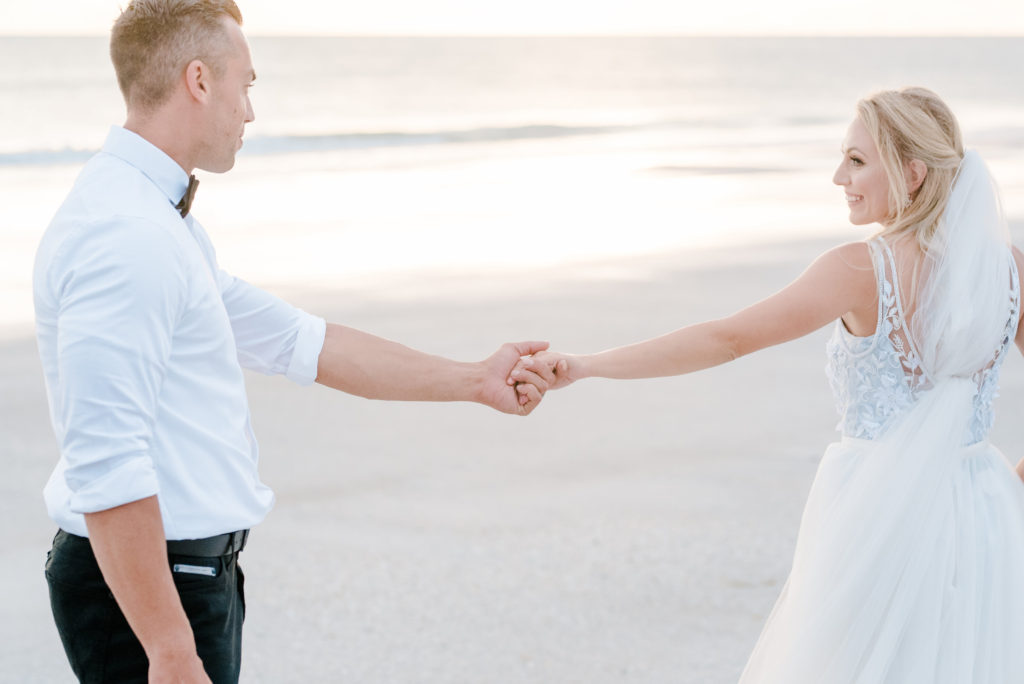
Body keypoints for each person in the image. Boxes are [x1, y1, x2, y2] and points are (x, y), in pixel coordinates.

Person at [33, 2, 554, 682]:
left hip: (186, 576)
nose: (250, 111)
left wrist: (473, 380)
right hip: (150, 592)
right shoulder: (126, 236)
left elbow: (296, 341)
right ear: (198, 80)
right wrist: (169, 648)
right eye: (246, 84)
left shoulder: (157, 219)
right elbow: (105, 460)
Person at [512, 87, 1024, 682]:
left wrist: (586, 365)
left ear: (912, 172)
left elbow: (724, 340)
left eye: (857, 160)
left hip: (877, 518)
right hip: (984, 511)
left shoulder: (858, 270)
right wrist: (1010, 482)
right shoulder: (1008, 265)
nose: (839, 177)